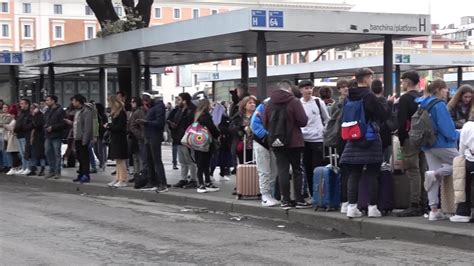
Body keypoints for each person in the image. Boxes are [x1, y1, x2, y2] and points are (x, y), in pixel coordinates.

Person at [340, 68, 389, 218]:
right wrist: (389, 103)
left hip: (353, 138)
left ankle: (351, 207)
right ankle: (372, 207)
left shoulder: (349, 97)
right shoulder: (369, 96)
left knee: (354, 173)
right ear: (367, 78)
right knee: (372, 173)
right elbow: (382, 115)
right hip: (370, 138)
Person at [417, 79, 460, 221]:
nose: (447, 91)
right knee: (463, 164)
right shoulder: (439, 105)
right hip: (442, 143)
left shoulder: (423, 103)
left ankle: (434, 210)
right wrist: (458, 134)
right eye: (445, 89)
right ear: (439, 90)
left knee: (434, 178)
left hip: (427, 144)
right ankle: (436, 173)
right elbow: (446, 128)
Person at [263, 80, 309, 209]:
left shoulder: (269, 103)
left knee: (282, 170)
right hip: (294, 141)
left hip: (276, 141)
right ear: (289, 89)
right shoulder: (294, 101)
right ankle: (299, 200)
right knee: (297, 170)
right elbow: (303, 121)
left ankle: (285, 200)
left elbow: (265, 123)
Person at [396, 71, 428, 217]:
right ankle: (425, 202)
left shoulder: (405, 99)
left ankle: (414, 204)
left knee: (412, 171)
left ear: (408, 82)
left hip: (409, 139)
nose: (402, 84)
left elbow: (401, 123)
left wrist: (401, 140)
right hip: (423, 139)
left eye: (402, 81)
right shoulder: (422, 98)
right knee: (422, 170)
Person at [299, 80, 330, 197]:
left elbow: (327, 119)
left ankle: (318, 194)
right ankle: (312, 194)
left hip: (317, 139)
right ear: (301, 90)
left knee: (317, 167)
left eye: (310, 88)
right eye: (306, 88)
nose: (309, 90)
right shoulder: (298, 103)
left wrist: (323, 131)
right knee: (306, 167)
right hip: (303, 139)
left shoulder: (318, 102)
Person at [251, 98, 279, 207]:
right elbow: (255, 125)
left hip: (268, 140)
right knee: (265, 171)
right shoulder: (264, 106)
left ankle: (268, 195)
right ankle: (266, 196)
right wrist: (269, 137)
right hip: (264, 142)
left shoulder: (266, 105)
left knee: (272, 171)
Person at [138, 92, 168, 193]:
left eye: (146, 100)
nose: (145, 103)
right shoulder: (152, 107)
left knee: (156, 160)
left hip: (154, 136)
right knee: (149, 160)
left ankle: (162, 183)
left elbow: (160, 123)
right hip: (148, 136)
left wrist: (146, 122)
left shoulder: (159, 107)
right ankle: (152, 182)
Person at [450, 108, 474, 223]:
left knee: (465, 185)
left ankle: (463, 212)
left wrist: (462, 156)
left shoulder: (468, 126)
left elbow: (462, 146)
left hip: (470, 160)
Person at [171, 93, 198, 189]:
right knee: (182, 161)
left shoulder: (191, 110)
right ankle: (183, 178)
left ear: (184, 101)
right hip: (179, 137)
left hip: (187, 138)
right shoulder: (179, 110)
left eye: (179, 99)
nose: (177, 101)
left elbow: (191, 124)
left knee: (190, 160)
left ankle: (193, 179)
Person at [193, 99, 221, 193]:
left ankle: (203, 183)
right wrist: (218, 133)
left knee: (201, 163)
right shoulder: (206, 116)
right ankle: (202, 183)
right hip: (206, 142)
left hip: (198, 142)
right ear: (206, 105)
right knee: (204, 163)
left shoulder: (197, 115)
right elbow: (212, 128)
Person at [69, 94, 94, 183]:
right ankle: (81, 174)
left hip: (82, 138)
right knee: (79, 157)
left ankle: (85, 175)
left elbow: (87, 127)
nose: (72, 102)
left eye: (74, 101)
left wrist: (85, 139)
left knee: (84, 157)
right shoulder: (77, 111)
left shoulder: (86, 111)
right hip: (77, 137)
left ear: (78, 101)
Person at [106, 96, 129, 188]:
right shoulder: (114, 113)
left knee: (121, 159)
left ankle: (122, 179)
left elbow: (119, 127)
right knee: (118, 159)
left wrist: (109, 126)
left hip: (120, 138)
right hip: (115, 138)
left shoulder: (121, 113)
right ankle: (118, 178)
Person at [44, 95, 67, 179]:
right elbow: (45, 120)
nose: (46, 102)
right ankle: (51, 170)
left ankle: (57, 171)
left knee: (57, 153)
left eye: (48, 100)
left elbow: (63, 123)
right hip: (48, 135)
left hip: (56, 135)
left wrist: (53, 127)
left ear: (53, 101)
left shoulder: (60, 111)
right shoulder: (47, 111)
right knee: (48, 152)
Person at [371, 79, 393, 164]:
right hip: (385, 132)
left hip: (373, 132)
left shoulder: (369, 101)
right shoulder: (386, 102)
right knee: (385, 154)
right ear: (382, 89)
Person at [230, 96, 257, 165]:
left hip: (256, 145)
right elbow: (231, 128)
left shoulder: (257, 115)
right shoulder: (239, 116)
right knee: (244, 166)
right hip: (242, 145)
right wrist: (241, 129)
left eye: (254, 103)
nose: (252, 104)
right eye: (250, 103)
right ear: (244, 105)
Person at [14, 99, 33, 175]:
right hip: (19, 134)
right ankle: (24, 167)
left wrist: (22, 127)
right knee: (21, 153)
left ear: (27, 104)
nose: (20, 105)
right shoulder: (20, 113)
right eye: (20, 103)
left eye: (22, 103)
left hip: (25, 134)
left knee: (26, 152)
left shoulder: (29, 114)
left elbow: (30, 124)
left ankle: (28, 167)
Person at [128, 97, 146, 178]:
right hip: (134, 137)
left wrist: (140, 135)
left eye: (133, 102)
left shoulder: (139, 111)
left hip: (137, 137)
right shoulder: (133, 112)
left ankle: (140, 174)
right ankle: (136, 173)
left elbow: (140, 125)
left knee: (140, 157)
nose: (132, 103)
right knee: (135, 156)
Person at [28, 103, 46, 176]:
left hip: (39, 136)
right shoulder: (30, 116)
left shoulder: (40, 116)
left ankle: (42, 168)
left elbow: (37, 125)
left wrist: (35, 115)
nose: (31, 110)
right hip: (32, 136)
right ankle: (33, 168)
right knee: (32, 153)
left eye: (33, 108)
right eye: (31, 108)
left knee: (41, 153)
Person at [4, 105, 20, 175]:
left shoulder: (16, 120)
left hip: (14, 138)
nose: (10, 115)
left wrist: (7, 126)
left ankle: (15, 167)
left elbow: (14, 129)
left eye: (12, 114)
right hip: (10, 137)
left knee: (14, 153)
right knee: (13, 153)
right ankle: (14, 166)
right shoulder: (13, 120)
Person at [166, 100, 180, 170]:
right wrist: (171, 125)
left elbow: (168, 120)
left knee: (175, 148)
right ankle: (174, 162)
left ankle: (175, 163)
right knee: (176, 148)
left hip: (176, 132)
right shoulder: (175, 110)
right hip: (176, 132)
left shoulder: (174, 111)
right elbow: (168, 120)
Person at [94, 103, 108, 171]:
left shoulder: (103, 116)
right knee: (95, 150)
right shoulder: (94, 116)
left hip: (101, 134)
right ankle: (101, 161)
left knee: (100, 150)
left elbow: (106, 124)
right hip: (95, 134)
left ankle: (102, 163)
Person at [0, 104, 13, 173]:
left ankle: (8, 165)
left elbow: (6, 123)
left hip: (6, 134)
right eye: (3, 107)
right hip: (0, 133)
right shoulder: (1, 115)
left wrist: (2, 123)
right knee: (1, 151)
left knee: (5, 151)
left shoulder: (10, 116)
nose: (4, 109)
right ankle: (3, 165)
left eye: (6, 107)